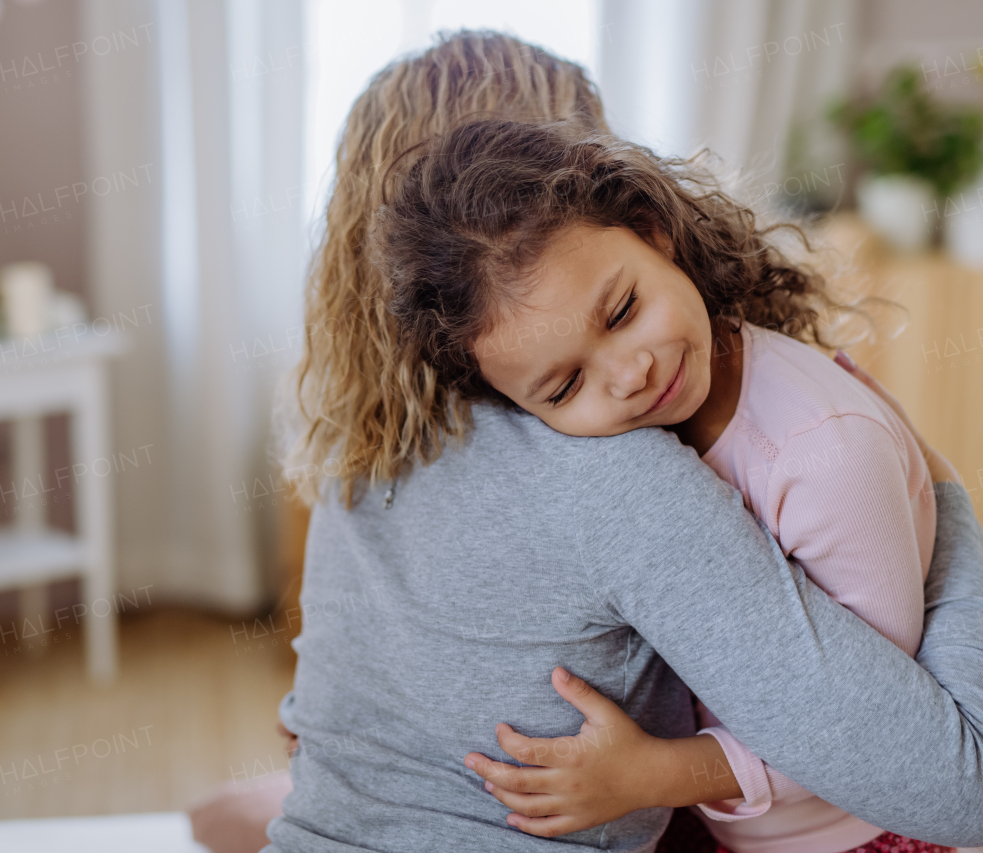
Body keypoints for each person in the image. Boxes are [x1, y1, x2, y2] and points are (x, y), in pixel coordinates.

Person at [190, 31, 983, 853]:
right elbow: (965, 792)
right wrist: (943, 491)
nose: (623, 375)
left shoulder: (353, 451)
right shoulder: (619, 468)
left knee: (228, 810)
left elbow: (304, 732)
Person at [368, 118, 947, 853]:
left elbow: (873, 729)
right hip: (704, 818)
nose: (629, 373)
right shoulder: (604, 451)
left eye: (621, 311)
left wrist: (654, 775)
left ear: (652, 231)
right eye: (567, 383)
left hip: (846, 834)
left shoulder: (826, 456)